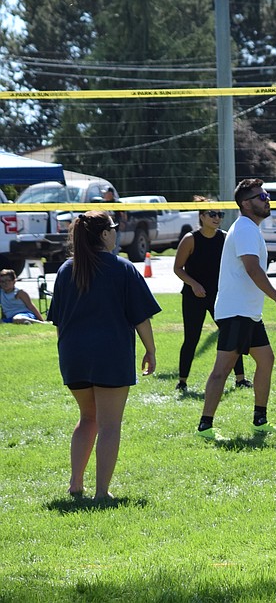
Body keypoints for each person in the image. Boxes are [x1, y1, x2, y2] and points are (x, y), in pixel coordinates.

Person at [49, 211, 160, 500]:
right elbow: (141, 319)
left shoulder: (65, 270)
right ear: (103, 235)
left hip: (74, 355)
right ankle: (101, 493)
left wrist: (67, 354)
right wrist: (150, 349)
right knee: (110, 425)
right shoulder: (122, 268)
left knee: (88, 418)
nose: (117, 231)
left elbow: (59, 322)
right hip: (110, 355)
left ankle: (75, 483)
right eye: (113, 227)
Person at [197, 179, 276, 440]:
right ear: (246, 203)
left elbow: (255, 273)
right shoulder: (244, 228)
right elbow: (252, 269)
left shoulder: (249, 228)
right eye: (261, 196)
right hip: (237, 313)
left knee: (266, 360)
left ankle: (260, 420)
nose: (267, 200)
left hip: (248, 313)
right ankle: (205, 427)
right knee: (222, 370)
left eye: (266, 195)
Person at [172, 198, 248, 392]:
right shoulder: (190, 239)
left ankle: (240, 379)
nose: (217, 218)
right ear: (202, 216)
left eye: (220, 214)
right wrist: (194, 284)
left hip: (219, 296)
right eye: (212, 214)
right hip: (193, 296)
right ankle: (182, 381)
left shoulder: (224, 238)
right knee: (192, 338)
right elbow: (178, 268)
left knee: (230, 335)